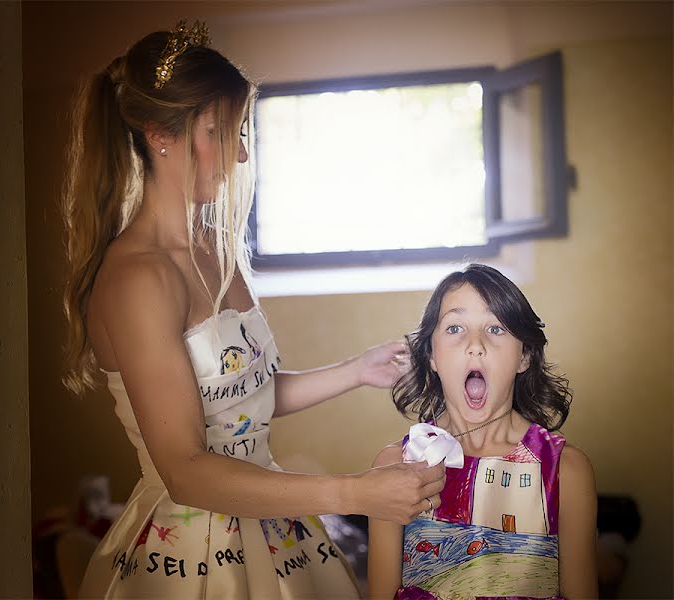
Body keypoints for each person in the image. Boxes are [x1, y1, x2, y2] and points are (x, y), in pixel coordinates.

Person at [62, 20, 446, 599]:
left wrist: (357, 370)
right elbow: (188, 471)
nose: (240, 152)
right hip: (192, 551)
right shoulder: (137, 280)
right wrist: (355, 493)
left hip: (272, 523)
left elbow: (244, 403)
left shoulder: (216, 251)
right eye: (222, 131)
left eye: (240, 132)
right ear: (159, 135)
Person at [367, 264, 598, 599]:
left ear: (524, 357)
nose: (475, 344)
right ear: (432, 356)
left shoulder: (566, 471)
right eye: (455, 327)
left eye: (496, 328)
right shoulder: (393, 466)